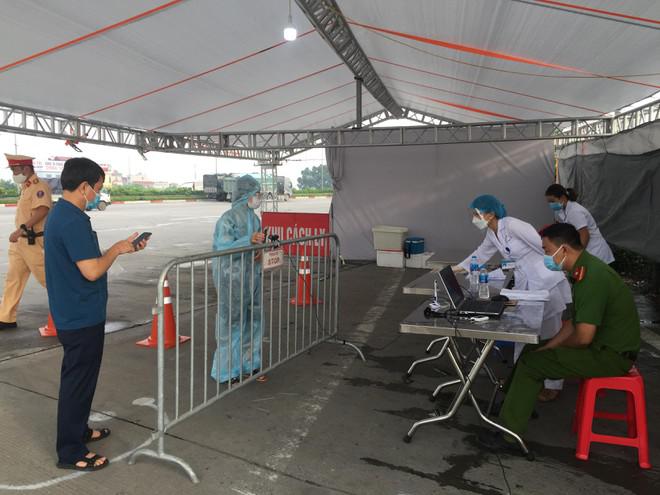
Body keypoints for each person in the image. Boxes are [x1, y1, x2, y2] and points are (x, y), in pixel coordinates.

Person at [481, 223, 640, 451]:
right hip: (603, 347)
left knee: (532, 365)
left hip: (610, 355)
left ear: (563, 249)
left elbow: (583, 337)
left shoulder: (592, 277)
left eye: (547, 250)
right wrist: (549, 346)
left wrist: (555, 349)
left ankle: (510, 437)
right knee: (532, 348)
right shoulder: (584, 269)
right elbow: (573, 322)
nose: (545, 256)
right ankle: (513, 404)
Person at [45, 158, 148, 471]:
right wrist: (116, 250)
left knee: (82, 380)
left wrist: (119, 249)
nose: (98, 195)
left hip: (75, 311)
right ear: (84, 187)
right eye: (98, 189)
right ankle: (70, 451)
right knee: (77, 384)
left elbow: (84, 262)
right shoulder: (71, 220)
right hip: (79, 316)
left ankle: (79, 431)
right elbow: (91, 271)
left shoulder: (62, 214)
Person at [454, 194, 572, 402]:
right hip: (526, 284)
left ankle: (553, 385)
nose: (474, 218)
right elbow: (481, 253)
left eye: (477, 214)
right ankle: (520, 380)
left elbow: (544, 246)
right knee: (522, 332)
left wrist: (561, 267)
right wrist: (456, 269)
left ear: (490, 214)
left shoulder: (513, 225)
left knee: (551, 334)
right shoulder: (492, 233)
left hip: (546, 280)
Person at [211, 175, 264, 383]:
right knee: (232, 324)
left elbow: (257, 244)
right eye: (257, 194)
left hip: (252, 277)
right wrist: (247, 241)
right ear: (247, 194)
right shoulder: (228, 219)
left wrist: (259, 250)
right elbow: (223, 247)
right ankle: (226, 372)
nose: (258, 198)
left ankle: (250, 364)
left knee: (253, 321)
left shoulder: (255, 219)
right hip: (231, 278)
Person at [0, 154, 52, 330]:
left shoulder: (39, 186)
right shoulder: (26, 186)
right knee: (13, 279)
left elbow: (42, 210)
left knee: (48, 279)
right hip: (20, 243)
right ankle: (6, 318)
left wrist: (21, 229)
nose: (13, 173)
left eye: (15, 170)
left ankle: (73, 308)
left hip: (33, 241)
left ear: (26, 168)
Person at [545, 184, 614, 264]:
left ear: (562, 198)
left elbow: (584, 235)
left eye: (552, 201)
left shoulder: (575, 211)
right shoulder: (562, 210)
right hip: (589, 252)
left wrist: (577, 254)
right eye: (549, 202)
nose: (551, 204)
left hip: (595, 251)